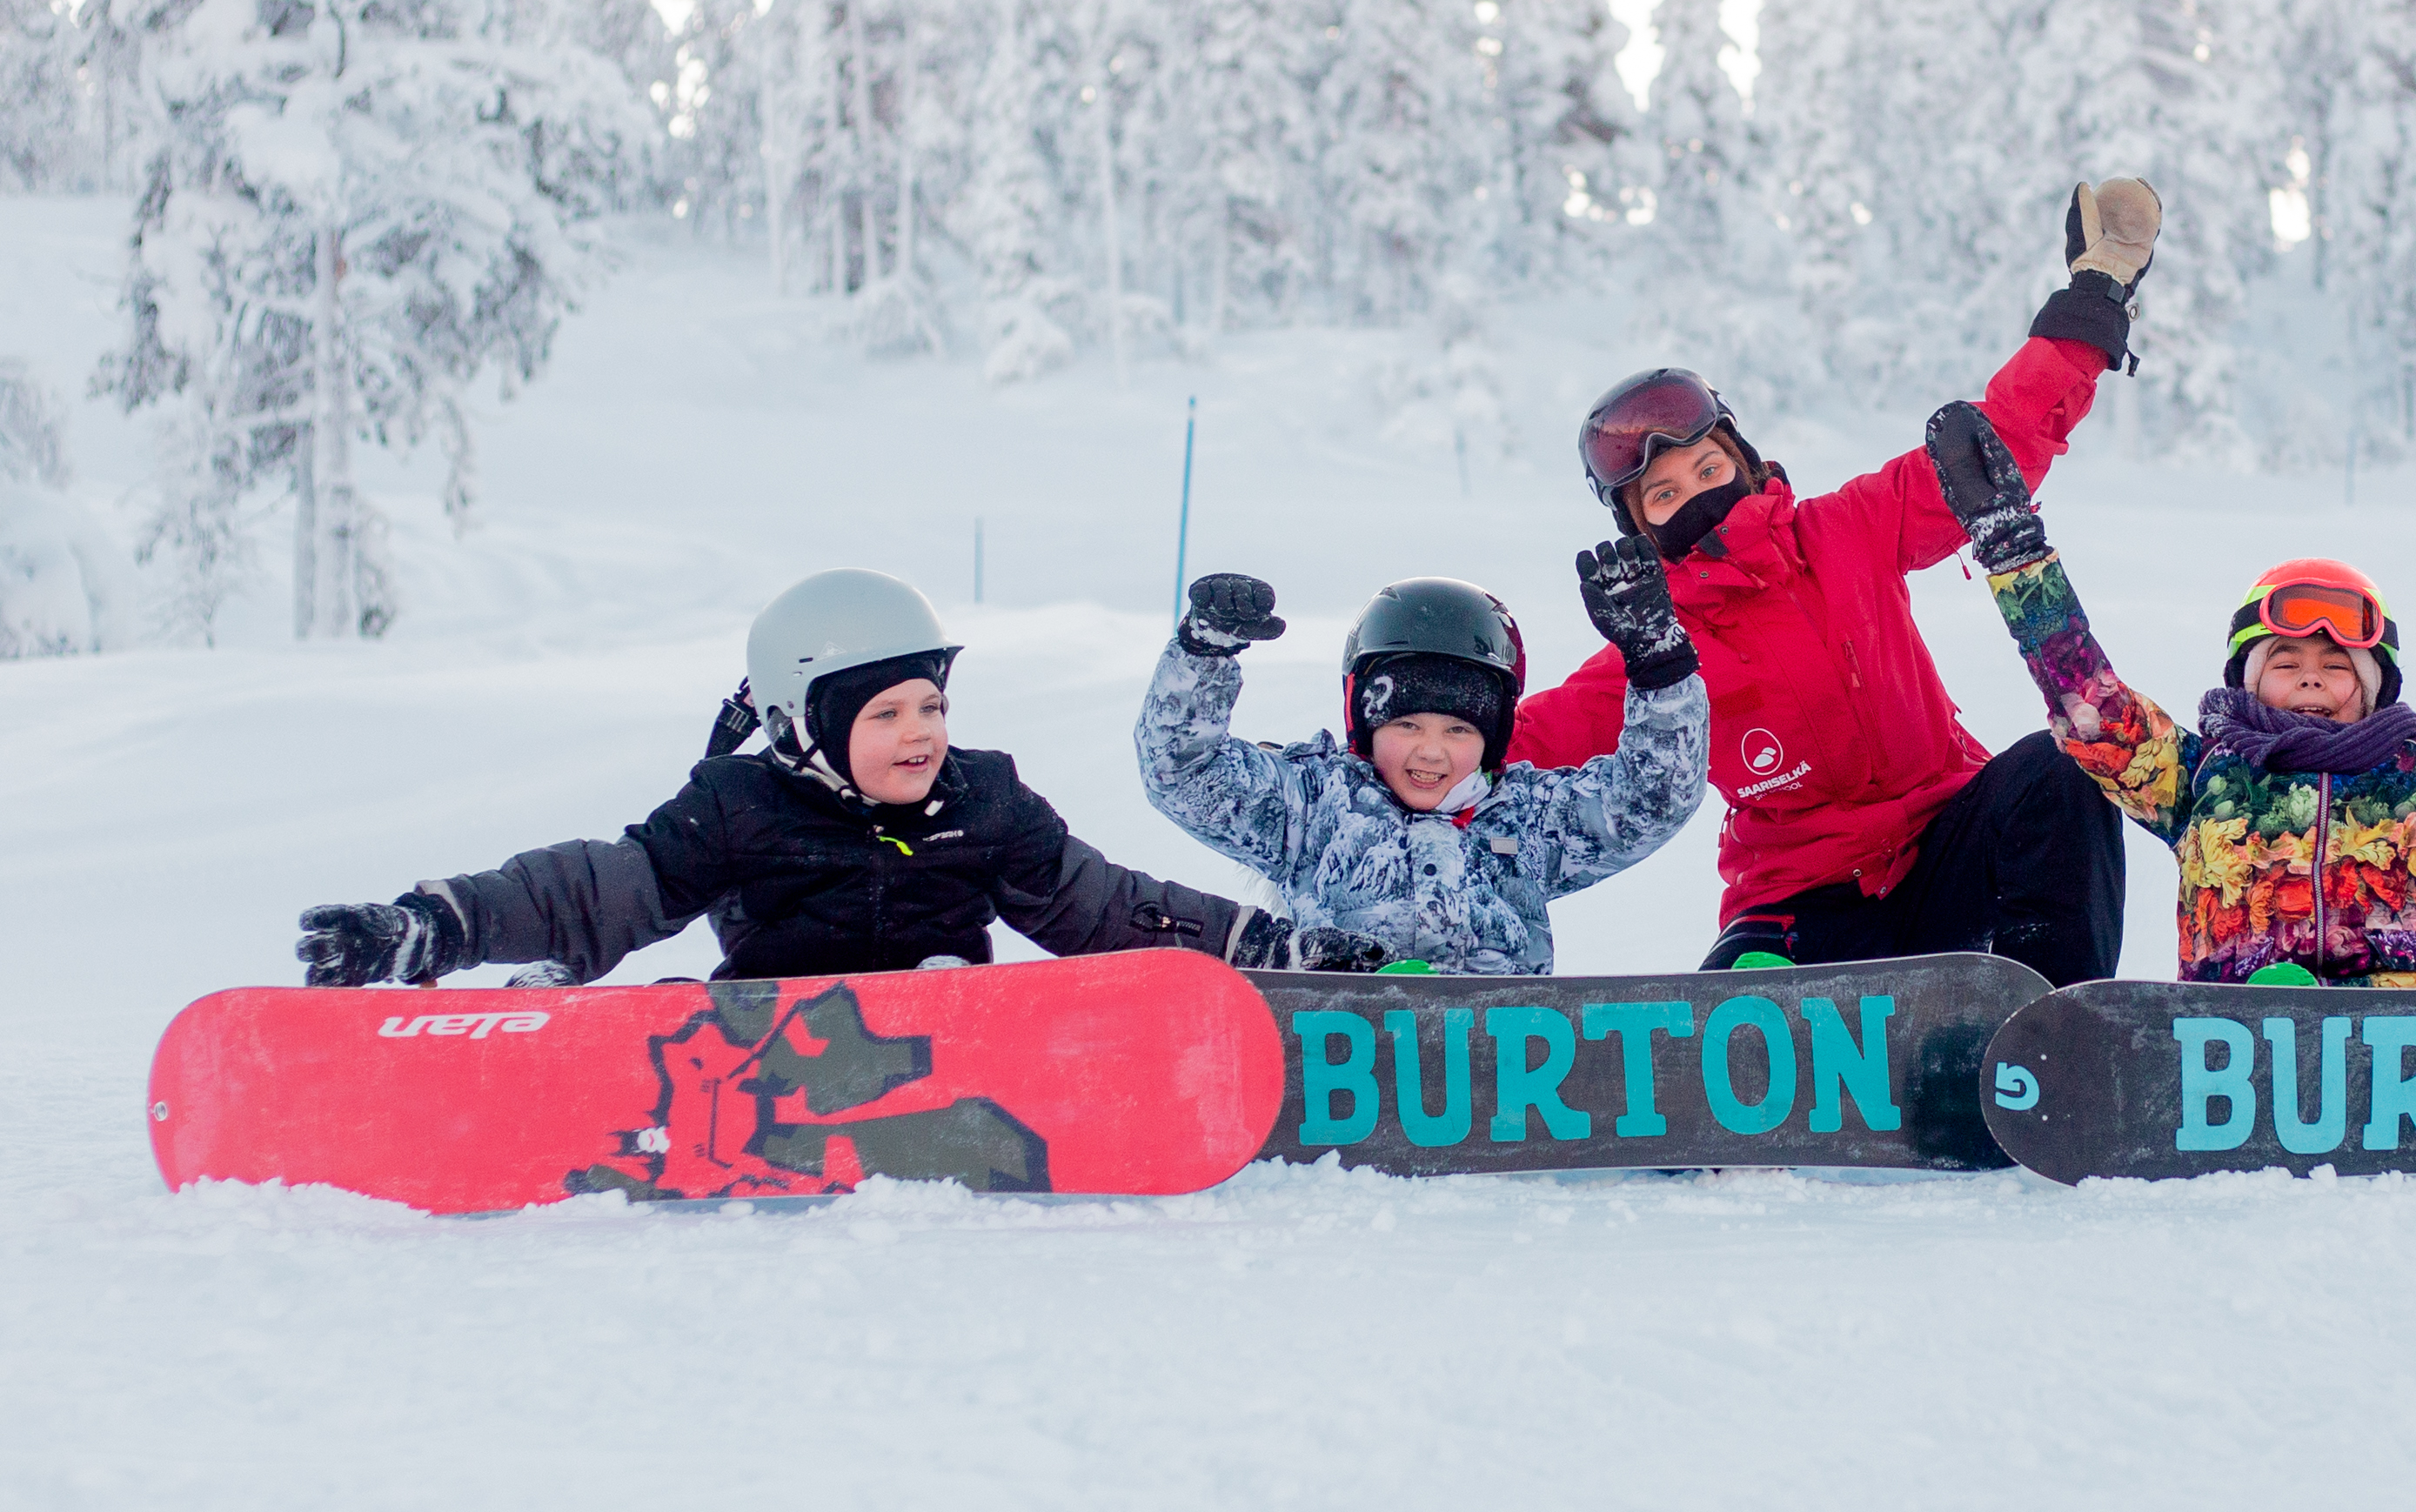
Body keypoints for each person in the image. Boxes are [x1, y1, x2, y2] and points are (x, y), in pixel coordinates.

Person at [1506, 181, 2160, 984]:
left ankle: (2051, 1028)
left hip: (1945, 847)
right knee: (1731, 1014)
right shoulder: (1663, 650)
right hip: (1801, 902)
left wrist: (2092, 303)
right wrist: (1409, 718)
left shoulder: (1846, 529)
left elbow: (1997, 449)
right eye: (1665, 495)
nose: (1699, 499)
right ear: (1639, 529)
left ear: (1744, 462)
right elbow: (1519, 740)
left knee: (2064, 770)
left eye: (1708, 469)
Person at [1922, 387, 2416, 988]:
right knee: (2278, 992)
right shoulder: (2197, 776)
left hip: (2408, 1037)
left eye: (2337, 666)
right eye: (2286, 662)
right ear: (2251, 681)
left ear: (2372, 689)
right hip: (2242, 1041)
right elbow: (2090, 703)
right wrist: (2017, 556)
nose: (2311, 676)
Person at [292, 570, 1286, 988]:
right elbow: (596, 891)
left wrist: (1265, 947)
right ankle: (545, 1020)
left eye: (931, 706)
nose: (920, 734)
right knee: (639, 991)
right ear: (799, 729)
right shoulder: (739, 808)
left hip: (954, 1042)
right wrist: (439, 924)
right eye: (884, 715)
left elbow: (1107, 909)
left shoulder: (984, 803)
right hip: (770, 1051)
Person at [1133, 543, 1710, 976]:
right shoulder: (1312, 807)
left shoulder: (1528, 820)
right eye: (1406, 725)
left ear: (1494, 737)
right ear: (1365, 723)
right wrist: (1203, 653)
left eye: (1459, 730)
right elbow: (1182, 771)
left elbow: (1651, 799)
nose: (1431, 751)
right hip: (1341, 1073)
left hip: (1496, 1075)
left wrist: (1660, 669)